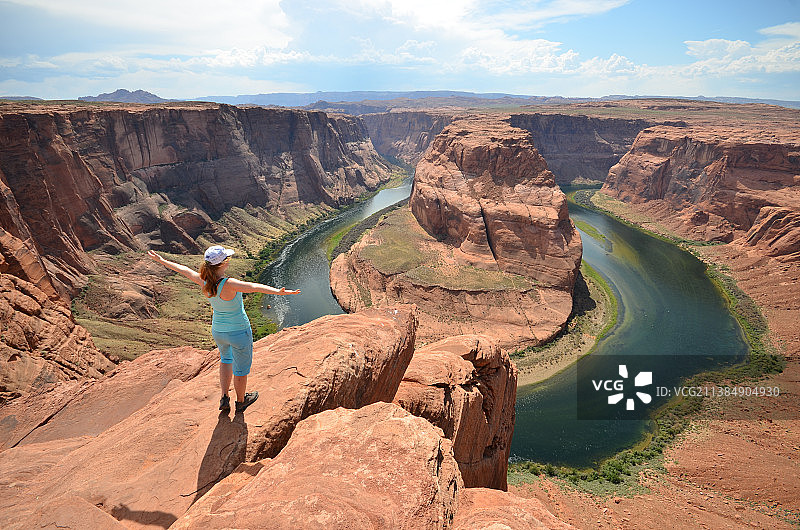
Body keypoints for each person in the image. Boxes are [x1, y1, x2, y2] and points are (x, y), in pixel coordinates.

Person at [147, 245, 300, 414]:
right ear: (222, 264)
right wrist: (279, 292)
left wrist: (162, 261)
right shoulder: (230, 284)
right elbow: (254, 287)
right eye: (227, 258)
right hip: (239, 331)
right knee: (240, 369)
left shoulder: (204, 280)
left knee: (226, 360)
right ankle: (241, 402)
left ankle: (224, 397)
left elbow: (184, 270)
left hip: (219, 332)